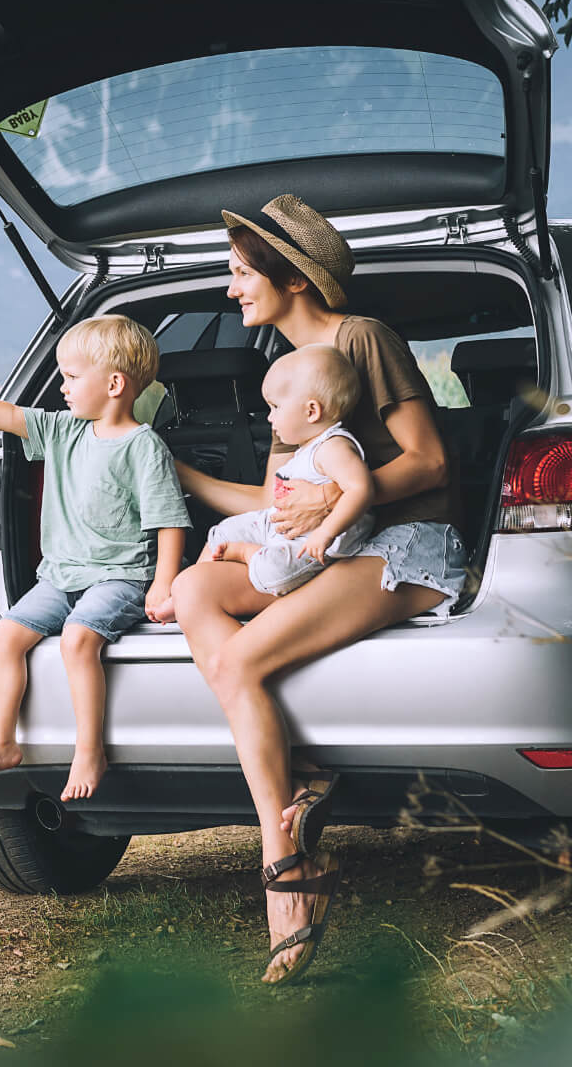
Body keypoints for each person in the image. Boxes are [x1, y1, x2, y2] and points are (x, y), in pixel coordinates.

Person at [169, 194, 464, 985]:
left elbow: (431, 461)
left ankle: (286, 873)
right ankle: (295, 790)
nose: (230, 289)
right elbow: (276, 505)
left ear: (291, 276)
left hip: (403, 543)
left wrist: (335, 503)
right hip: (321, 552)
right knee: (198, 589)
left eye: (239, 273)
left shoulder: (360, 340)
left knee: (237, 665)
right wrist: (180, 476)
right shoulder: (286, 391)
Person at [0, 315, 190, 802]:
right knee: (7, 636)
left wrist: (162, 584)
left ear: (114, 384)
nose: (63, 388)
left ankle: (89, 749)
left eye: (72, 378)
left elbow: (168, 520)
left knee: (78, 639)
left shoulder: (143, 447)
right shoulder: (63, 432)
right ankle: (1, 743)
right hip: (59, 577)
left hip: (119, 578)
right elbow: (3, 415)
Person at [198, 345, 375, 598]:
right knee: (223, 530)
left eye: (275, 408)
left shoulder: (332, 447)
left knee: (273, 573)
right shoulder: (306, 448)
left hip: (311, 541)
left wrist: (326, 531)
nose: (269, 418)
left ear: (311, 411)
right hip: (280, 527)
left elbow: (360, 488)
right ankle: (186, 588)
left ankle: (246, 553)